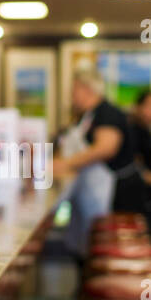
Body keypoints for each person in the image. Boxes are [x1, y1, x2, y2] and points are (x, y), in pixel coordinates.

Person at [52, 68, 134, 263]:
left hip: (116, 195)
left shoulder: (107, 113)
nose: (71, 96)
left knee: (102, 253)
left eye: (74, 90)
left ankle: (99, 287)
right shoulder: (85, 117)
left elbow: (105, 149)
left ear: (87, 89)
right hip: (89, 194)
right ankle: (87, 287)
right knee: (86, 250)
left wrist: (66, 164)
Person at [112, 88, 151, 255]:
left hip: (144, 199)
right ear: (137, 107)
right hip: (134, 202)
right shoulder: (131, 131)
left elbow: (148, 153)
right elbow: (136, 169)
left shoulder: (144, 130)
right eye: (149, 106)